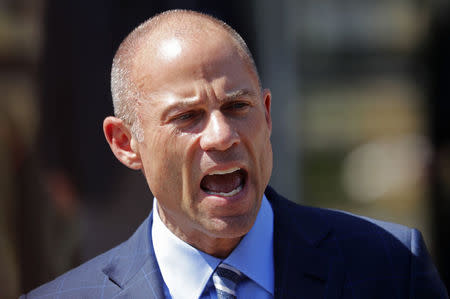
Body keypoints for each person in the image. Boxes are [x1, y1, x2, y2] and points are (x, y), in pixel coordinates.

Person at [23, 9, 448, 299]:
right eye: (188, 116)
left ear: (266, 116)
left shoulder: (391, 267)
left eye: (236, 107)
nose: (222, 136)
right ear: (124, 143)